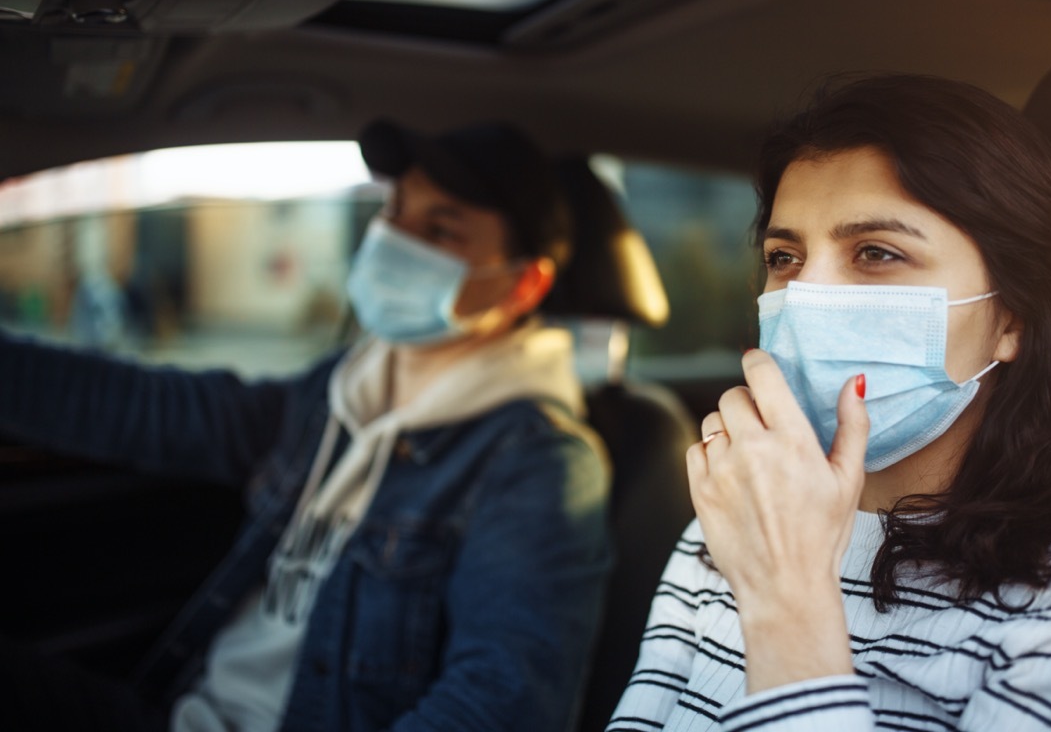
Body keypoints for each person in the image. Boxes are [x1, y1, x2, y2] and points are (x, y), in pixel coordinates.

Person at [606, 74, 1051, 731]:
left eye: (877, 253)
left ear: (1014, 318)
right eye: (784, 256)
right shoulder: (727, 528)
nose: (806, 297)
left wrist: (788, 600)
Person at [0, 120, 612, 731]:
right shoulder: (338, 390)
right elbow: (152, 409)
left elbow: (500, 703)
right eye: (396, 209)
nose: (394, 238)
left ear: (523, 283)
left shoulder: (539, 463)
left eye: (440, 229)